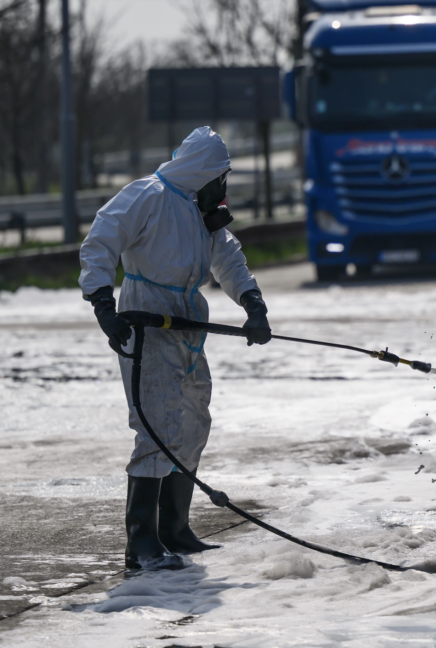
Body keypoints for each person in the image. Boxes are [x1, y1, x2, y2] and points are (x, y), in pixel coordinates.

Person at [79, 127, 271, 571]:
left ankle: (174, 528)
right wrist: (104, 305)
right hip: (147, 316)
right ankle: (141, 542)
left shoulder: (201, 210)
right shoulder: (147, 196)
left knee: (192, 420)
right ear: (203, 172)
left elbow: (228, 259)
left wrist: (253, 303)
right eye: (220, 177)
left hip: (186, 321)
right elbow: (100, 242)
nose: (222, 187)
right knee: (157, 424)